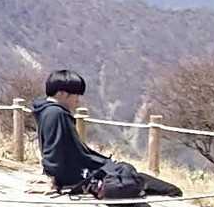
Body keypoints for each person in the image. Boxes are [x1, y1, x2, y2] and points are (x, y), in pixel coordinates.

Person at [31, 69, 181, 196]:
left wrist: (49, 175)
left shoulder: (45, 111)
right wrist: (53, 182)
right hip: (84, 174)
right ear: (62, 93)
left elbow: (49, 147)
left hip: (80, 172)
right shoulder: (56, 114)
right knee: (170, 190)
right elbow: (54, 150)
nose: (78, 100)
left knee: (130, 174)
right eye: (76, 94)